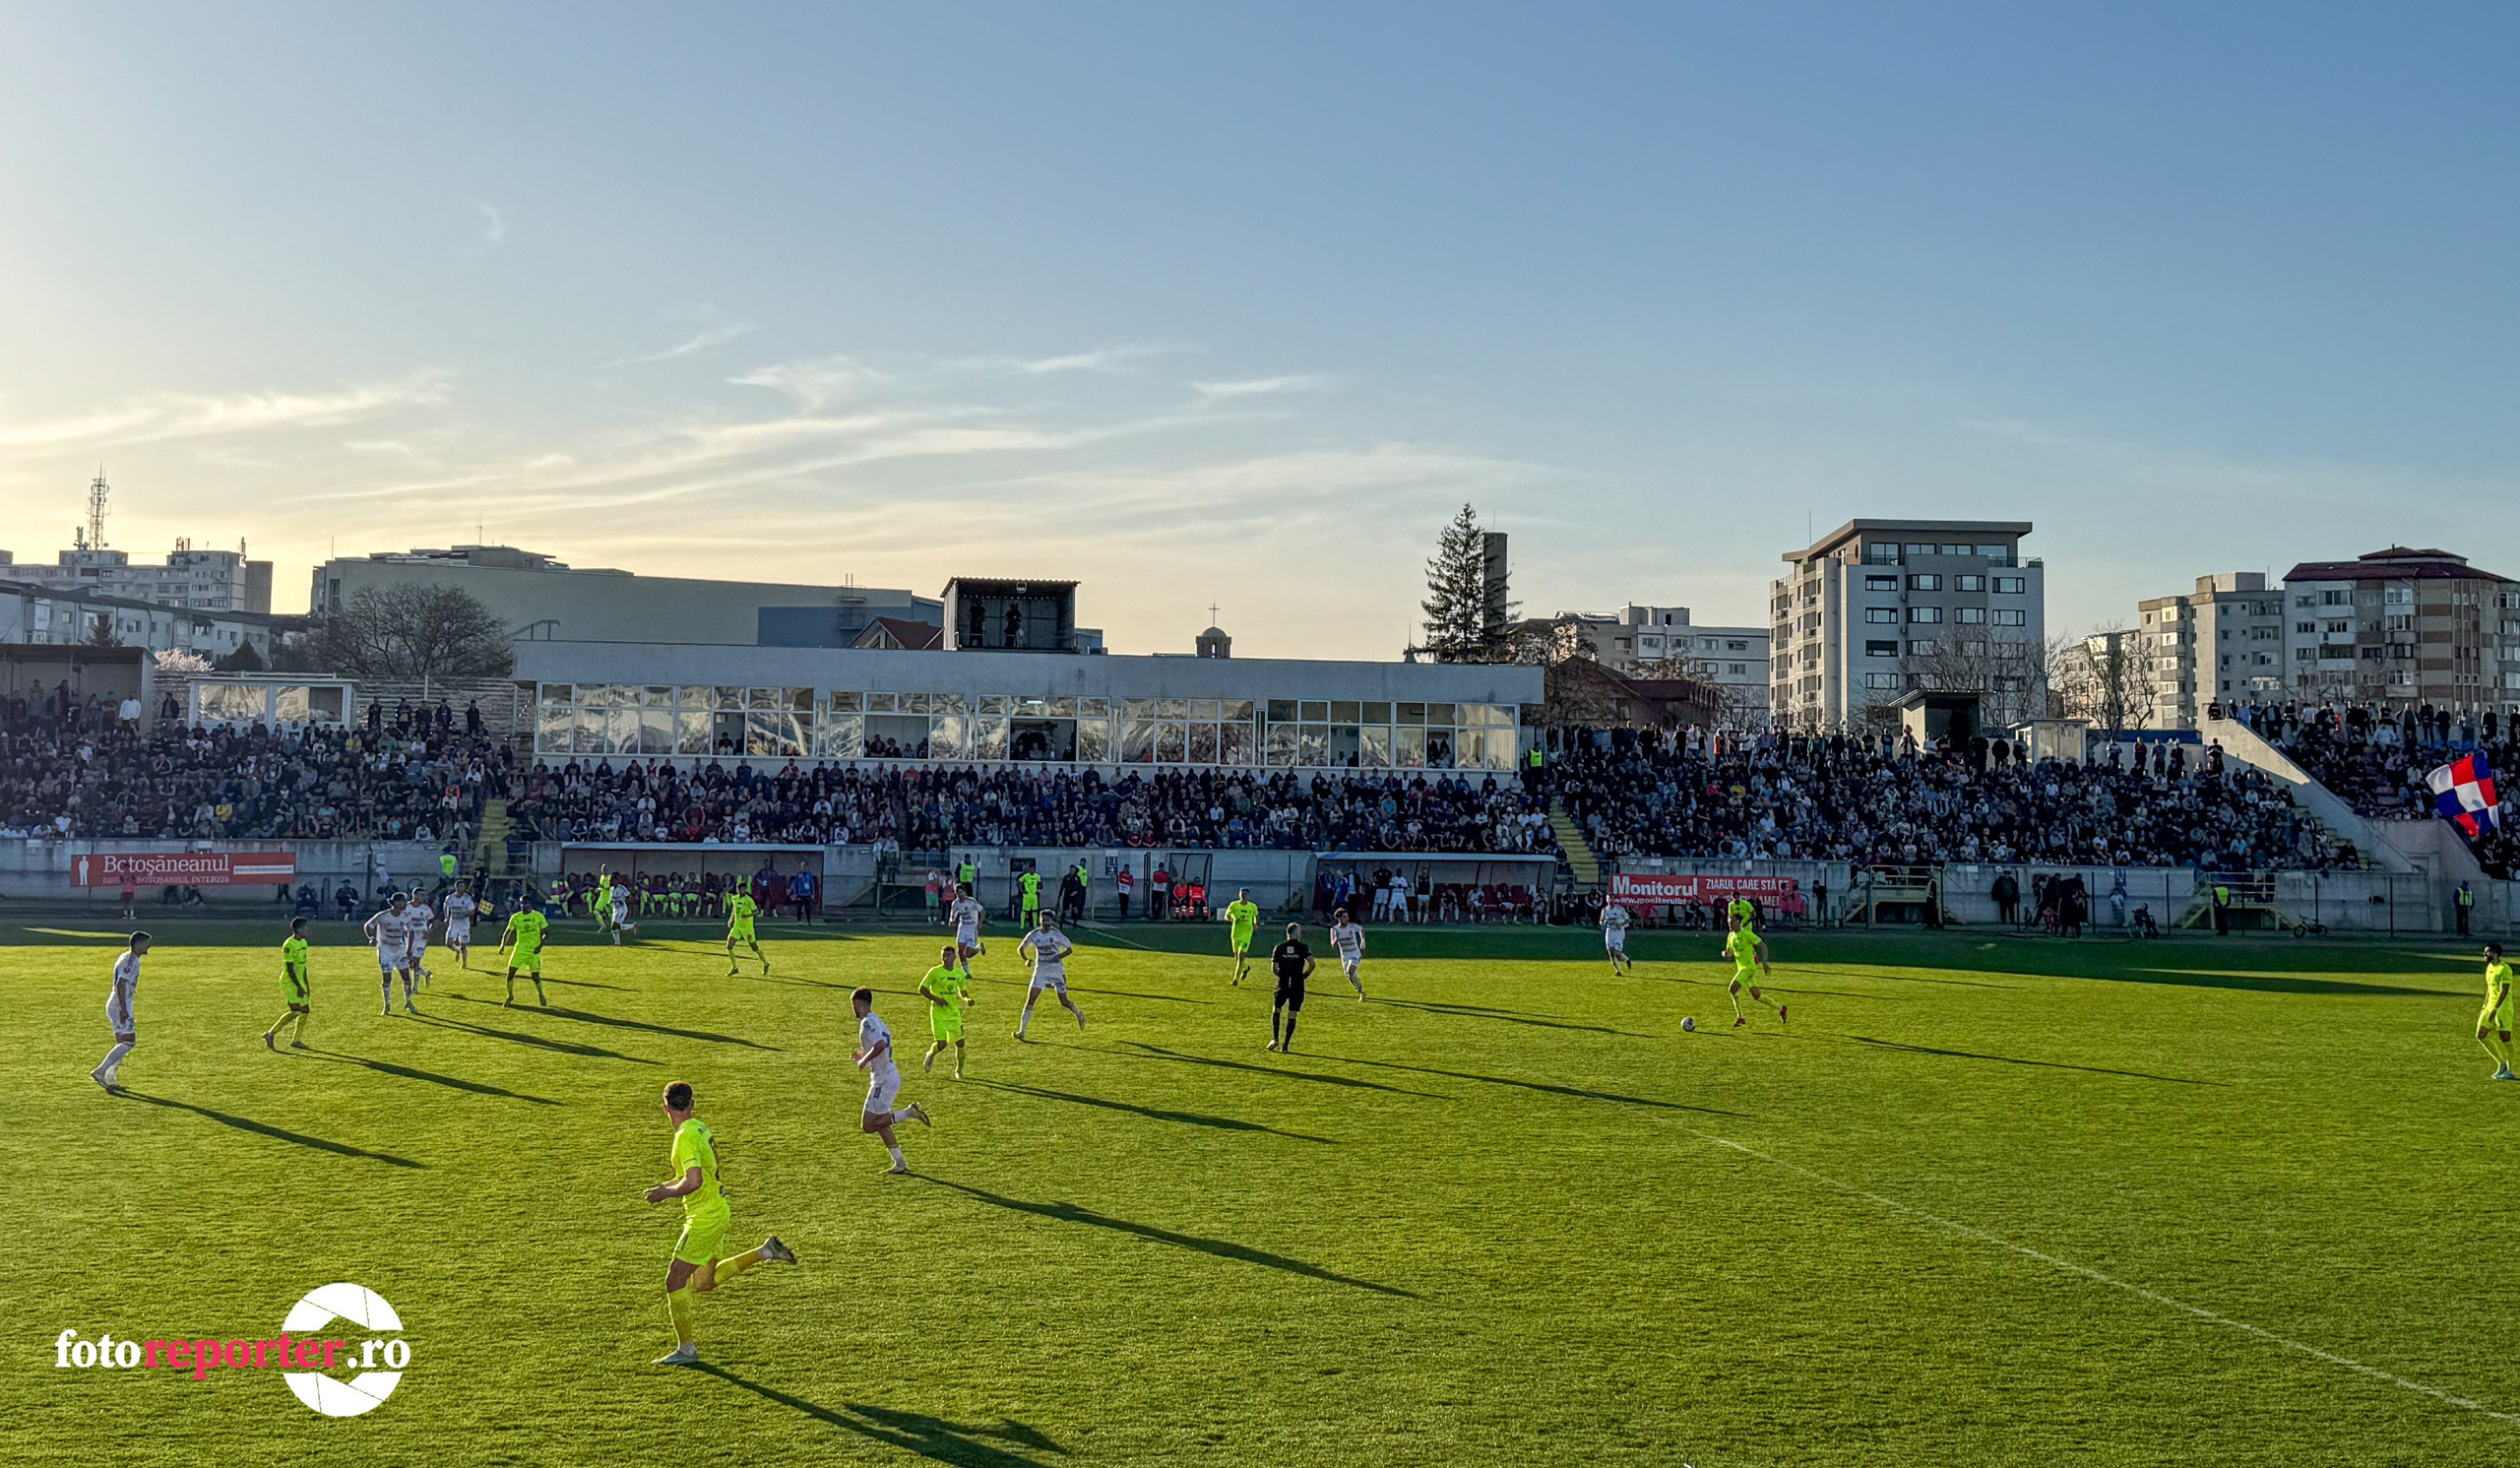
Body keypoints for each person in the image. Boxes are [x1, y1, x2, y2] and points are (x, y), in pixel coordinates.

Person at [644, 1080, 798, 1367]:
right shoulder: (699, 1127)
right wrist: (664, 1187)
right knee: (704, 1283)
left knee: (675, 1279)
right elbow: (699, 1175)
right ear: (691, 1105)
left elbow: (693, 1181)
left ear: (664, 1107)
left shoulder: (684, 1137)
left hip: (704, 1217)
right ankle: (764, 1252)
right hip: (717, 1209)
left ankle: (686, 1349)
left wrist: (667, 1192)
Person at [852, 989, 930, 1175]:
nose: (853, 1009)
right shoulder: (877, 1020)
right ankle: (900, 1163)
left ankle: (909, 1112)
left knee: (869, 1124)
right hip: (889, 1075)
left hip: (883, 1080)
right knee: (881, 1122)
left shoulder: (868, 1022)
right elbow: (880, 1046)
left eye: (853, 1005)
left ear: (860, 1003)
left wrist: (864, 1060)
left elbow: (880, 1045)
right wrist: (864, 1054)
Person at [91, 931, 151, 1092]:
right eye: (146, 943)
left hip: (117, 1004)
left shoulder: (130, 957)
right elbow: (121, 984)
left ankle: (110, 1078)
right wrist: (124, 1009)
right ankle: (100, 1071)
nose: (149, 946)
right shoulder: (130, 961)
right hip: (119, 1005)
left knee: (121, 1042)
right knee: (128, 1042)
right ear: (138, 944)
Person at [1015, 912, 1087, 1040]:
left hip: (1056, 971)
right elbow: (1020, 948)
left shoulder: (1057, 934)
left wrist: (1058, 957)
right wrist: (1026, 959)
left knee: (1064, 1001)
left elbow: (1069, 949)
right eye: (1044, 921)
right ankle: (1022, 1031)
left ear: (1052, 922)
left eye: (1048, 922)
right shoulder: (1034, 934)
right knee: (1030, 1000)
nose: (1046, 924)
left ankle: (1078, 1013)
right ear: (1040, 921)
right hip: (1041, 970)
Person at [918, 944, 974, 1079]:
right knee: (942, 1044)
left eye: (948, 955)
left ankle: (959, 1070)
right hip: (938, 1012)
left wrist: (967, 999)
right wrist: (936, 999)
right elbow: (922, 988)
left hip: (953, 1013)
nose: (945, 958)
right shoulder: (935, 972)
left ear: (954, 957)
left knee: (960, 1043)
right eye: (943, 955)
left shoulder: (960, 974)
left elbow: (962, 991)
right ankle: (930, 1054)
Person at [364, 892, 420, 1016]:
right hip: (385, 950)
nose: (405, 904)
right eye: (403, 901)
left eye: (405, 901)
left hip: (400, 949)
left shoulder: (405, 916)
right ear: (395, 903)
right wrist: (371, 937)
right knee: (387, 978)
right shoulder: (383, 916)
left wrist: (409, 949)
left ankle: (408, 1002)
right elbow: (368, 926)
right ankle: (387, 1005)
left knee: (406, 976)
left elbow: (411, 932)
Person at [1725, 913, 1784, 1028]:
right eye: (1729, 923)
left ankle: (1740, 1017)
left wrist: (1765, 961)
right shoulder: (1730, 936)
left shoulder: (1747, 934)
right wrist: (1726, 954)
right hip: (1742, 969)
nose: (1730, 925)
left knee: (1732, 988)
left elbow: (1763, 945)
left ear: (1738, 922)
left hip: (1749, 968)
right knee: (1757, 996)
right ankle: (1781, 1008)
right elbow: (1730, 953)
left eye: (1732, 922)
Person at [264, 918, 313, 1052]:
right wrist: (298, 987)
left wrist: (306, 984)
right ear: (299, 930)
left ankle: (296, 1040)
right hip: (290, 982)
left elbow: (303, 966)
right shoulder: (289, 945)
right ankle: (270, 1034)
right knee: (296, 1010)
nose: (307, 930)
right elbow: (290, 969)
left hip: (300, 980)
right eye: (305, 928)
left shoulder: (303, 942)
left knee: (305, 1010)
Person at [1267, 923, 1313, 1053]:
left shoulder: (1280, 947)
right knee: (1292, 1013)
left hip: (1284, 983)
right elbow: (1312, 963)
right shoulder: (1303, 947)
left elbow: (1274, 968)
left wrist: (1282, 976)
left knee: (1277, 1008)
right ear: (1296, 933)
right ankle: (1285, 1045)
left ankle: (1275, 1038)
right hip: (1298, 984)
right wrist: (1305, 975)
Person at [499, 900, 550, 1007]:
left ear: (530, 904)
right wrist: (502, 946)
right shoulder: (516, 917)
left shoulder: (538, 916)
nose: (524, 905)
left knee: (535, 976)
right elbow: (508, 932)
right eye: (522, 903)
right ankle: (510, 996)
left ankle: (541, 994)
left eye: (526, 903)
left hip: (533, 950)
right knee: (510, 972)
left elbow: (546, 933)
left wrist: (539, 946)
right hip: (520, 949)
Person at [2479, 943, 2515, 1081]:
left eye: (2487, 952)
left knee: (2505, 1038)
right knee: (2480, 1035)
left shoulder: (2505, 969)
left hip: (2503, 1008)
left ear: (2495, 954)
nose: (2485, 955)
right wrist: (2485, 1004)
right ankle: (2501, 1063)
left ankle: (2511, 1070)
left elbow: (2504, 992)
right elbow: (2489, 988)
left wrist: (2495, 1010)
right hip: (2489, 1007)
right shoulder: (2489, 967)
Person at [724, 886, 768, 975]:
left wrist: (747, 916)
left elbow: (756, 912)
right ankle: (735, 967)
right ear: (738, 890)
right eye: (742, 889)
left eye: (745, 889)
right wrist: (731, 919)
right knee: (729, 946)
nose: (744, 891)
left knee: (754, 947)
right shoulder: (734, 898)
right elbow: (734, 909)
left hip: (747, 928)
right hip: (737, 926)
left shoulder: (749, 900)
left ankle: (765, 963)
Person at [1327, 907, 1368, 999]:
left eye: (1347, 916)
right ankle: (1361, 991)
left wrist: (1362, 942)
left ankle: (1360, 990)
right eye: (1344, 917)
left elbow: (1361, 930)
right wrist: (1336, 939)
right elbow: (1333, 945)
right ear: (1339, 918)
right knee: (1350, 975)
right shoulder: (1334, 930)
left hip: (1354, 953)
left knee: (1351, 970)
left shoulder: (1352, 926)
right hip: (1345, 955)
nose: (1347, 919)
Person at [1223, 887, 1261, 987]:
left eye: (1245, 894)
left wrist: (1256, 924)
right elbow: (1226, 916)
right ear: (1239, 894)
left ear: (1248, 895)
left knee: (1240, 956)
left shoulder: (1252, 906)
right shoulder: (1234, 905)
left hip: (1246, 935)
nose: (1244, 895)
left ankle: (1235, 979)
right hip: (1236, 934)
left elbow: (1256, 915)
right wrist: (1231, 919)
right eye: (1242, 893)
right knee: (1237, 956)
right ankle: (1245, 968)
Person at [948, 882, 986, 972]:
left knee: (968, 953)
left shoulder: (971, 901)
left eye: (961, 892)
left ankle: (979, 947)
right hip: (963, 927)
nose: (960, 895)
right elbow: (952, 914)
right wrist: (951, 920)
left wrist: (980, 923)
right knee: (960, 949)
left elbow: (983, 911)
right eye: (958, 893)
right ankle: (966, 972)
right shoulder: (955, 903)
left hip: (972, 927)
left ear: (965, 893)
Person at [442, 881, 478, 970]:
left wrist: (466, 914)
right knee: (448, 943)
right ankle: (457, 950)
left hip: (464, 925)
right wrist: (446, 917)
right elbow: (445, 906)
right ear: (456, 887)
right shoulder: (450, 898)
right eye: (460, 886)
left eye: (463, 886)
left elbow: (472, 911)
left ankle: (464, 963)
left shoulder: (467, 898)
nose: (462, 888)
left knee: (463, 945)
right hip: (453, 923)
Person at [404, 890, 436, 986]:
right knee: (410, 963)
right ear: (415, 895)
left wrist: (428, 932)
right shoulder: (406, 907)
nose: (424, 897)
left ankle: (415, 988)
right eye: (421, 895)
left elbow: (432, 922)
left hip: (421, 938)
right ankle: (426, 974)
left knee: (416, 962)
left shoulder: (426, 909)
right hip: (408, 937)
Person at [1600, 897, 1634, 975]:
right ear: (1606, 900)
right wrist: (1602, 923)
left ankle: (1627, 959)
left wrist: (1620, 924)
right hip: (1609, 932)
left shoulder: (1620, 909)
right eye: (1609, 899)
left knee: (1617, 952)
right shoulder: (1605, 910)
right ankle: (1617, 971)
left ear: (1615, 900)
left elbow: (1628, 920)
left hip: (1618, 932)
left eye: (1612, 898)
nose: (1610, 900)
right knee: (1610, 951)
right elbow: (1601, 920)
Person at [609, 879, 638, 947]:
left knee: (615, 925)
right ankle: (632, 926)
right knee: (615, 926)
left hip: (621, 908)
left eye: (615, 880)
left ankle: (617, 943)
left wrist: (629, 908)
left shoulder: (622, 888)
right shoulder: (611, 889)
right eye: (612, 880)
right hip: (615, 908)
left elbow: (628, 896)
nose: (613, 882)